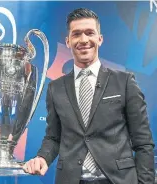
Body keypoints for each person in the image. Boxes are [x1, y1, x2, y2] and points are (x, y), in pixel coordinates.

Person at [23, 8, 155, 184]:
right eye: (76, 34)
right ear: (68, 41)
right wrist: (42, 157)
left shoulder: (125, 82)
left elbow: (143, 142)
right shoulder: (56, 88)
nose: (84, 40)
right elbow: (54, 137)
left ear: (100, 39)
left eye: (89, 33)